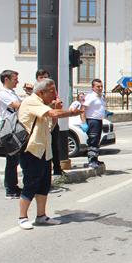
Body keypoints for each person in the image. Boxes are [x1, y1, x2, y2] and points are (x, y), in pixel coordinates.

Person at [17, 79, 82, 230]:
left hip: (44, 152)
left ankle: (41, 216)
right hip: (31, 151)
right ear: (41, 92)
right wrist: (71, 112)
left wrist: (55, 113)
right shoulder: (31, 101)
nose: (55, 94)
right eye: (51, 91)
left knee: (44, 184)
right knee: (30, 184)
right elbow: (53, 113)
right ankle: (22, 217)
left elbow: (50, 127)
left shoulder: (43, 106)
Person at [0, 70, 22, 199]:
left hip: (16, 128)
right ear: (6, 79)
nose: (17, 81)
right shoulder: (3, 93)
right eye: (15, 79)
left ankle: (14, 186)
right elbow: (17, 106)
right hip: (9, 130)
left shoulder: (12, 93)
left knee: (15, 160)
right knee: (12, 160)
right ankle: (10, 189)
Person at [36, 70, 64, 177]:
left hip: (52, 123)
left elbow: (57, 103)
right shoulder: (35, 92)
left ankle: (57, 169)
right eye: (41, 77)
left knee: (54, 146)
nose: (44, 80)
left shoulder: (51, 91)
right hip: (41, 124)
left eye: (46, 77)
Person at [82, 79, 106, 169]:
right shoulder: (90, 97)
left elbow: (99, 108)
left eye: (101, 86)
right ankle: (91, 161)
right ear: (93, 87)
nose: (100, 88)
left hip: (99, 120)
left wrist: (106, 112)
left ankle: (95, 159)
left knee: (97, 141)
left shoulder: (101, 97)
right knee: (92, 140)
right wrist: (84, 123)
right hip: (92, 121)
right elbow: (82, 109)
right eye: (98, 87)